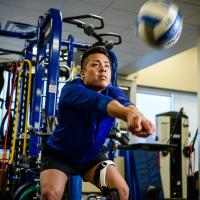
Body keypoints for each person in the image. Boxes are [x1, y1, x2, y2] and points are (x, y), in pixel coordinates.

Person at [40, 46, 155, 200]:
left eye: (107, 66)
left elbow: (126, 103)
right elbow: (99, 102)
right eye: (96, 64)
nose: (103, 69)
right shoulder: (71, 89)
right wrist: (129, 115)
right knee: (50, 195)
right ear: (82, 73)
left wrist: (139, 117)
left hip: (91, 156)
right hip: (60, 154)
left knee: (121, 191)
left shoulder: (112, 90)